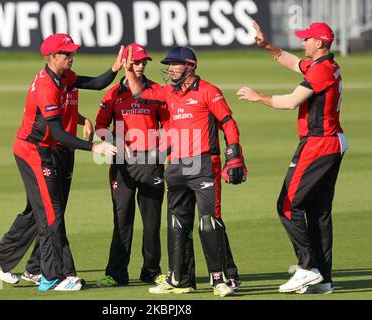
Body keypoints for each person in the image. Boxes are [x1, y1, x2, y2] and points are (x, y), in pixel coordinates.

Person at [0, 33, 119, 291]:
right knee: (51, 213)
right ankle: (53, 276)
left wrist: (115, 68)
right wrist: (94, 146)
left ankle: (5, 262)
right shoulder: (45, 85)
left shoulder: (65, 76)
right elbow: (55, 131)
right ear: (52, 57)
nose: (71, 56)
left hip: (54, 150)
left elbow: (97, 83)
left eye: (72, 52)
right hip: (35, 150)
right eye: (66, 53)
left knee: (40, 211)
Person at [124, 46, 247, 297]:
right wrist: (127, 69)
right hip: (177, 165)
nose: (169, 69)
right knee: (177, 223)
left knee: (209, 222)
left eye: (174, 64)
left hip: (203, 164)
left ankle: (221, 280)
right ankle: (181, 280)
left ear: (189, 66)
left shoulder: (208, 91)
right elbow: (138, 91)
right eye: (168, 64)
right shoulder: (168, 92)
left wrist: (233, 154)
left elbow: (228, 123)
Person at [236, 21, 347, 294]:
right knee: (317, 211)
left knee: (287, 205)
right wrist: (266, 46)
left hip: (318, 144)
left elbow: (289, 102)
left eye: (307, 39)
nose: (303, 43)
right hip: (331, 142)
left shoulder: (321, 70)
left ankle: (307, 269)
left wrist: (257, 97)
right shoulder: (325, 64)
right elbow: (293, 62)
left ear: (319, 43)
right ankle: (324, 279)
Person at [93, 43, 169, 287]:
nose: (140, 66)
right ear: (125, 64)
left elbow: (168, 127)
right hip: (122, 163)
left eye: (142, 62)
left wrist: (159, 154)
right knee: (122, 219)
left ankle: (151, 271)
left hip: (151, 163)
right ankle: (116, 273)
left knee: (152, 221)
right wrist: (114, 141)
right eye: (135, 62)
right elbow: (101, 127)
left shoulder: (156, 91)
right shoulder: (112, 94)